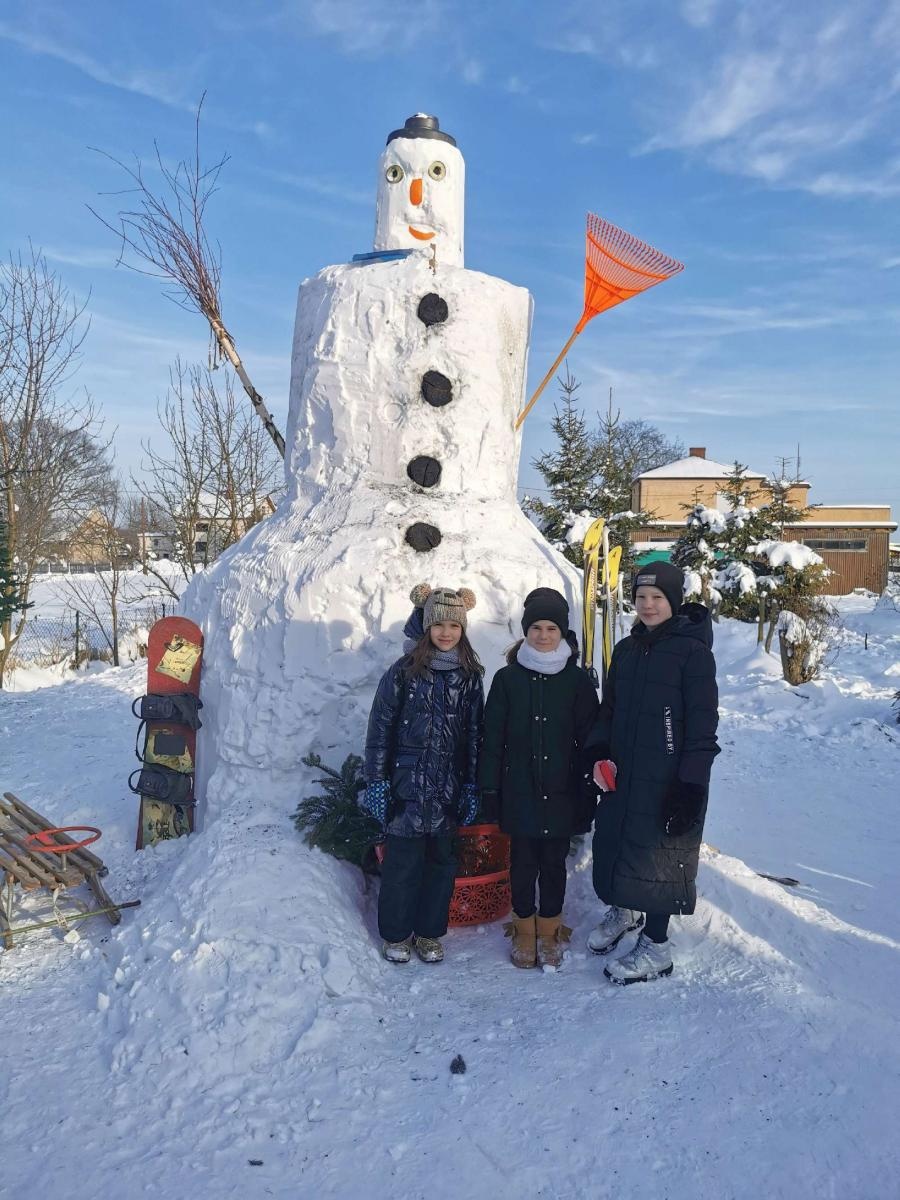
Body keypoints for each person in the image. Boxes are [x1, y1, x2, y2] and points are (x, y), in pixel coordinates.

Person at [584, 561, 719, 984]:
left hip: (670, 774)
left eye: (657, 597)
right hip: (625, 768)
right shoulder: (626, 649)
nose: (647, 605)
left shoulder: (693, 654)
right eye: (641, 597)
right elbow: (610, 709)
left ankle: (656, 947)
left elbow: (702, 726)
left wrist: (690, 786)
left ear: (673, 601)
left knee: (660, 856)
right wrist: (600, 750)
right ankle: (625, 908)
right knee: (619, 838)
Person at [363, 583, 484, 965]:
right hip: (407, 786)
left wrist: (471, 784)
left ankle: (430, 933)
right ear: (425, 626)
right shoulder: (403, 672)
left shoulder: (469, 675)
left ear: (463, 630)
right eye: (438, 625)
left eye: (454, 625)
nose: (446, 632)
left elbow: (476, 734)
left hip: (447, 788)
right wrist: (377, 781)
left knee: (440, 867)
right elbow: (380, 727)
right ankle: (396, 935)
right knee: (402, 866)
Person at [479, 588, 600, 969]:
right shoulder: (507, 679)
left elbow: (591, 738)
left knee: (553, 863)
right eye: (536, 628)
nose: (543, 635)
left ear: (563, 633)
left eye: (551, 628)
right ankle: (524, 930)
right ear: (525, 631)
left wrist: (586, 787)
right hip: (520, 789)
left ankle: (549, 929)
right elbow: (491, 738)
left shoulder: (578, 681)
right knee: (523, 861)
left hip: (563, 790)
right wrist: (489, 788)